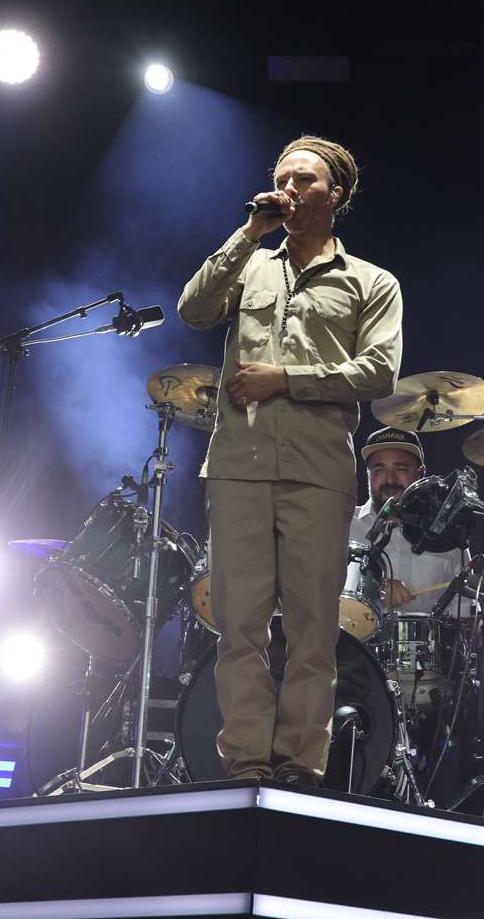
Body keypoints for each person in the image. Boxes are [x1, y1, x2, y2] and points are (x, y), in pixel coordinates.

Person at [177, 135, 402, 786]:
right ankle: (246, 765)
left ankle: (301, 766)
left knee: (312, 631)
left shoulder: (371, 282)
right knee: (239, 628)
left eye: (305, 180)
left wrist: (286, 379)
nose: (290, 189)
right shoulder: (249, 262)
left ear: (337, 194)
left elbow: (379, 372)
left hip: (318, 473)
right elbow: (194, 309)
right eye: (282, 178)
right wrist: (249, 232)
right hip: (238, 466)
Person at [350, 426, 468, 613]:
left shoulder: (448, 536)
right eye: (379, 470)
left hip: (426, 633)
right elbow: (317, 588)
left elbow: (465, 612)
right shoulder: (343, 525)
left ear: (421, 473)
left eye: (401, 468)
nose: (390, 479)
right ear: (368, 474)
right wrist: (374, 586)